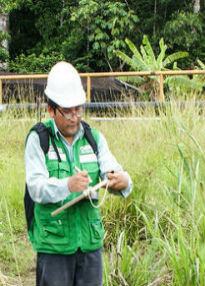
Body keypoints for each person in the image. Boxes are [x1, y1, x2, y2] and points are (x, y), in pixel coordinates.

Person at [24, 61, 133, 286]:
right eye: (67, 111)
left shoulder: (94, 139)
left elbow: (114, 170)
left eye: (78, 109)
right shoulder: (39, 139)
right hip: (54, 247)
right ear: (51, 109)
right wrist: (67, 185)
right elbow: (36, 188)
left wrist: (121, 180)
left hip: (89, 245)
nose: (74, 116)